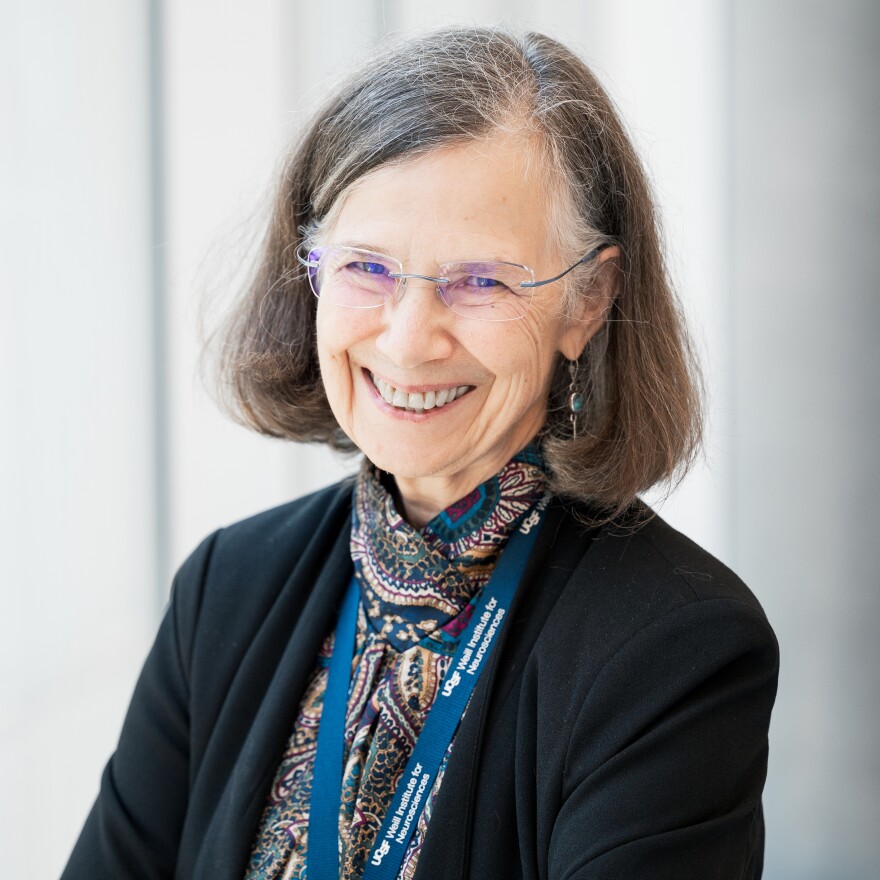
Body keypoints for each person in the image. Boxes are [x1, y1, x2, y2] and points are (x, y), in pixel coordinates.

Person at [62, 26, 779, 880]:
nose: (407, 341)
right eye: (367, 267)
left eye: (480, 280)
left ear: (589, 301)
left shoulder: (677, 652)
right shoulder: (225, 589)